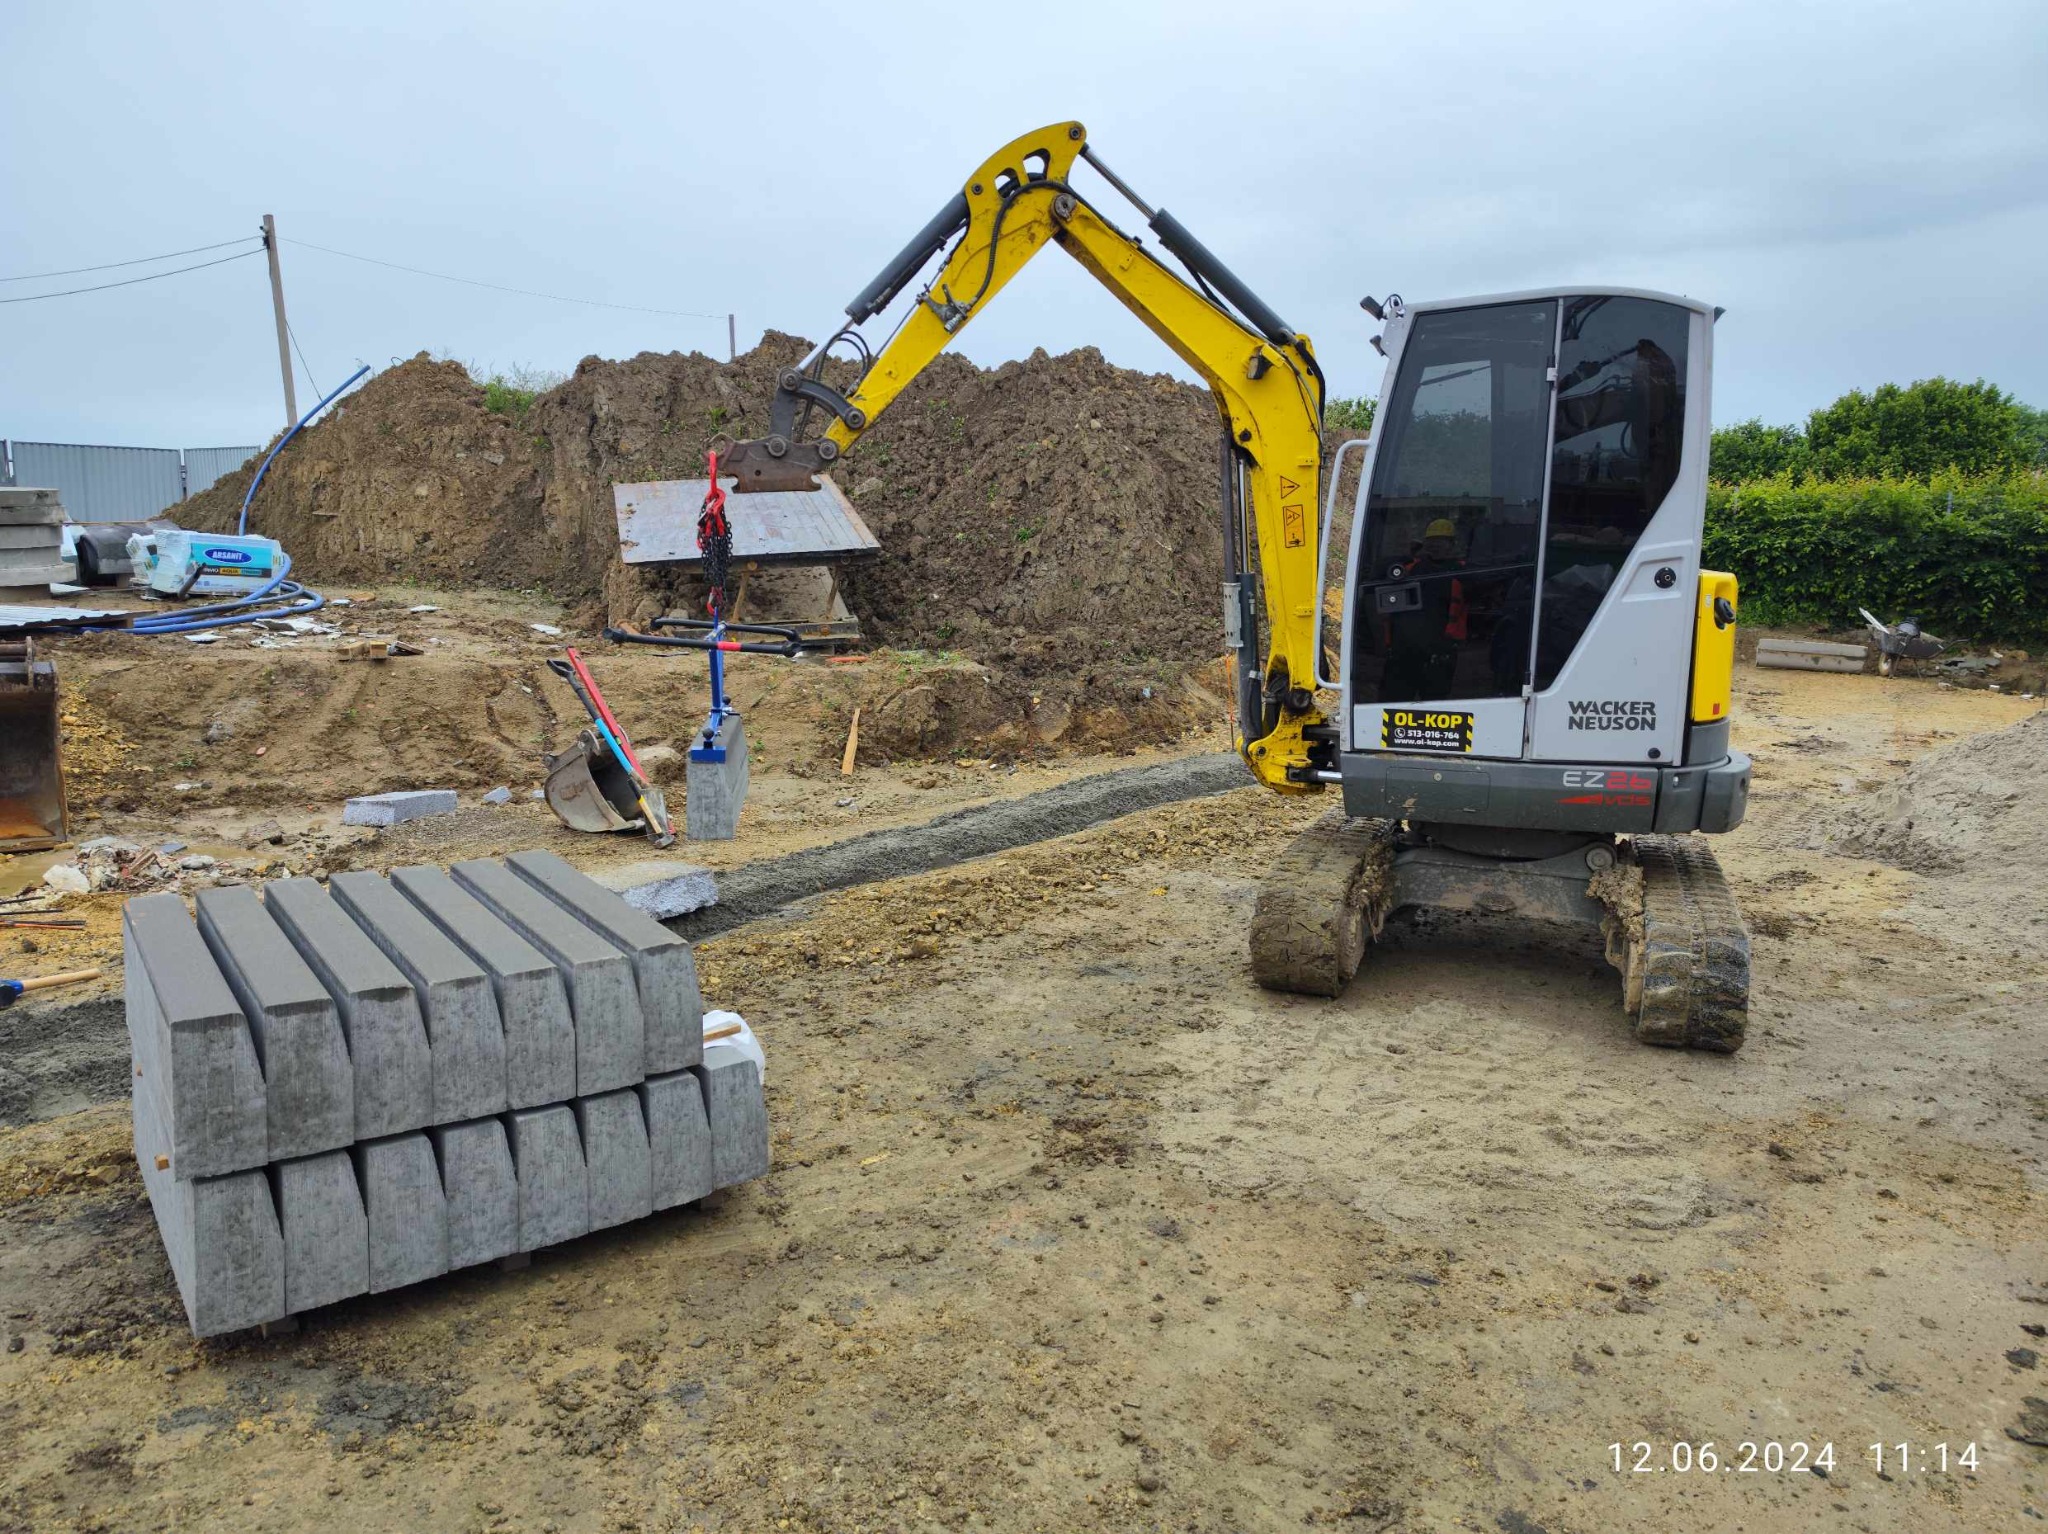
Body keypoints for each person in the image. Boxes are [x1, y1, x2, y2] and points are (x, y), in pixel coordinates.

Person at [1380, 517, 1468, 701]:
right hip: (1406, 650)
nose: (1435, 545)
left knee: (1436, 702)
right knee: (1396, 701)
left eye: (1441, 541)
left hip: (1441, 650)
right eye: (1432, 541)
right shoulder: (1411, 568)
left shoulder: (1463, 571)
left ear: (1451, 544)